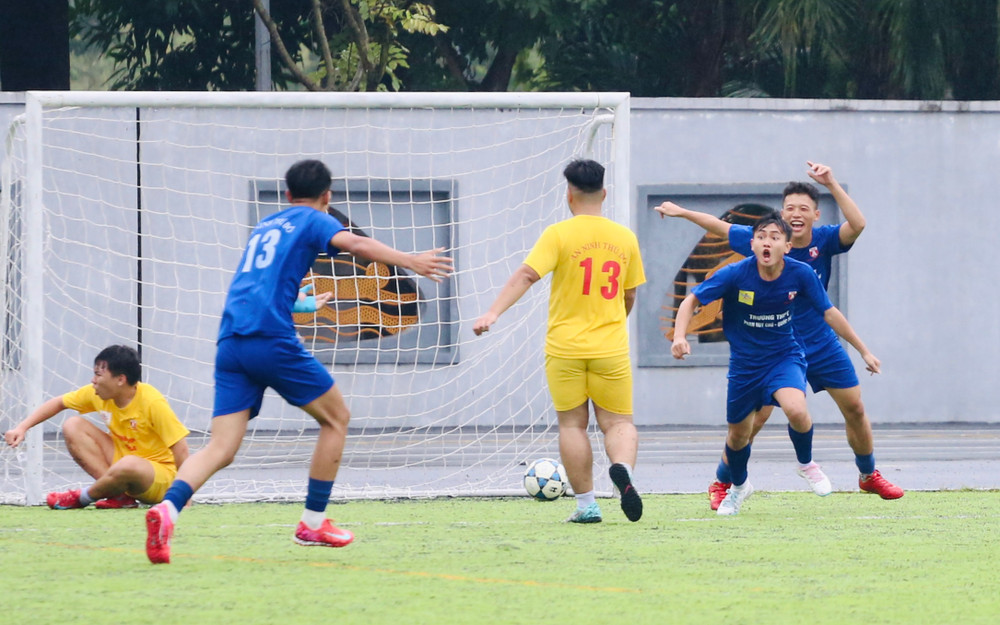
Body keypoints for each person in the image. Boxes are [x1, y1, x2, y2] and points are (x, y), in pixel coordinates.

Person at [144, 159, 453, 564]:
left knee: (221, 447)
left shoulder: (265, 225)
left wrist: (301, 303)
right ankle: (313, 523)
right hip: (270, 340)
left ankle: (168, 509)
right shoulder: (315, 218)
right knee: (337, 418)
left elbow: (259, 286)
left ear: (288, 194)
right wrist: (410, 261)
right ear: (327, 196)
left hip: (232, 342)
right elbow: (357, 245)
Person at [656, 161, 903, 509]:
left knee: (855, 407)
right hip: (773, 346)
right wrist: (682, 212)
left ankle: (867, 474)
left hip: (818, 342)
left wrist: (831, 183)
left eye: (803, 208)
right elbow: (717, 225)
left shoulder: (822, 242)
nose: (796, 214)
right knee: (751, 423)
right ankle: (724, 481)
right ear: (779, 218)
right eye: (790, 208)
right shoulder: (761, 243)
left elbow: (858, 226)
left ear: (815, 215)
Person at [474, 158, 646, 524]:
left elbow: (526, 275)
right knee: (618, 422)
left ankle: (586, 505)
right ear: (604, 193)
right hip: (610, 347)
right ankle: (623, 470)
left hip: (565, 348)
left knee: (572, 425)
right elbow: (630, 295)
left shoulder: (558, 234)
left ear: (569, 194)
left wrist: (493, 313)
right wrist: (614, 323)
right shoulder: (625, 238)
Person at [3, 345, 190, 510]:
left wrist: (184, 495)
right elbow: (59, 402)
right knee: (73, 425)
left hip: (159, 477)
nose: (93, 380)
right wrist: (22, 428)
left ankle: (83, 497)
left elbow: (180, 449)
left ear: (120, 379)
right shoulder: (98, 393)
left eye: (98, 375)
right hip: (123, 460)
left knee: (129, 464)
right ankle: (118, 496)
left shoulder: (152, 402)